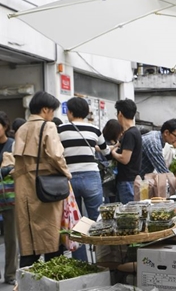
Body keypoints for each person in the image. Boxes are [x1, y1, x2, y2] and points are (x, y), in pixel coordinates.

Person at [13, 91, 71, 267]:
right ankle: (52, 285)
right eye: (52, 111)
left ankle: (24, 286)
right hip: (46, 186)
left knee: (29, 240)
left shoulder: (22, 128)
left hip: (24, 188)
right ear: (45, 109)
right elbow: (56, 155)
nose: (52, 115)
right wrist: (67, 173)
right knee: (51, 238)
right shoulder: (48, 127)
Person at [58, 97, 109, 261]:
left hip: (69, 178)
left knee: (75, 222)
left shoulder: (60, 130)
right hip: (91, 177)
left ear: (70, 112)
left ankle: (81, 262)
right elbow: (106, 152)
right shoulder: (95, 130)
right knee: (98, 221)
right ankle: (103, 259)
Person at [110, 99, 142, 204]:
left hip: (127, 181)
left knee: (128, 213)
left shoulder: (130, 134)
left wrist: (113, 153)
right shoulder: (134, 132)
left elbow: (124, 159)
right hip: (130, 179)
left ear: (120, 114)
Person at [0, 112, 17, 284]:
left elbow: (18, 168)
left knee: (11, 237)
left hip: (9, 196)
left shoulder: (12, 145)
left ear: (5, 126)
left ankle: (10, 274)